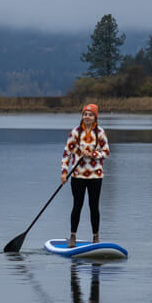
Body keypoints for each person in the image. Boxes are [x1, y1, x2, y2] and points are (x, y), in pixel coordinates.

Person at [61, 100, 109, 244]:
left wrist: (93, 154)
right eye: (85, 114)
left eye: (90, 115)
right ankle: (73, 236)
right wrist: (64, 172)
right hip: (77, 176)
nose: (87, 117)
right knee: (77, 205)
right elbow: (66, 153)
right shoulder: (75, 132)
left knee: (94, 207)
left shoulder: (100, 133)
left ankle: (95, 237)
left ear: (95, 117)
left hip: (96, 176)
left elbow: (106, 152)